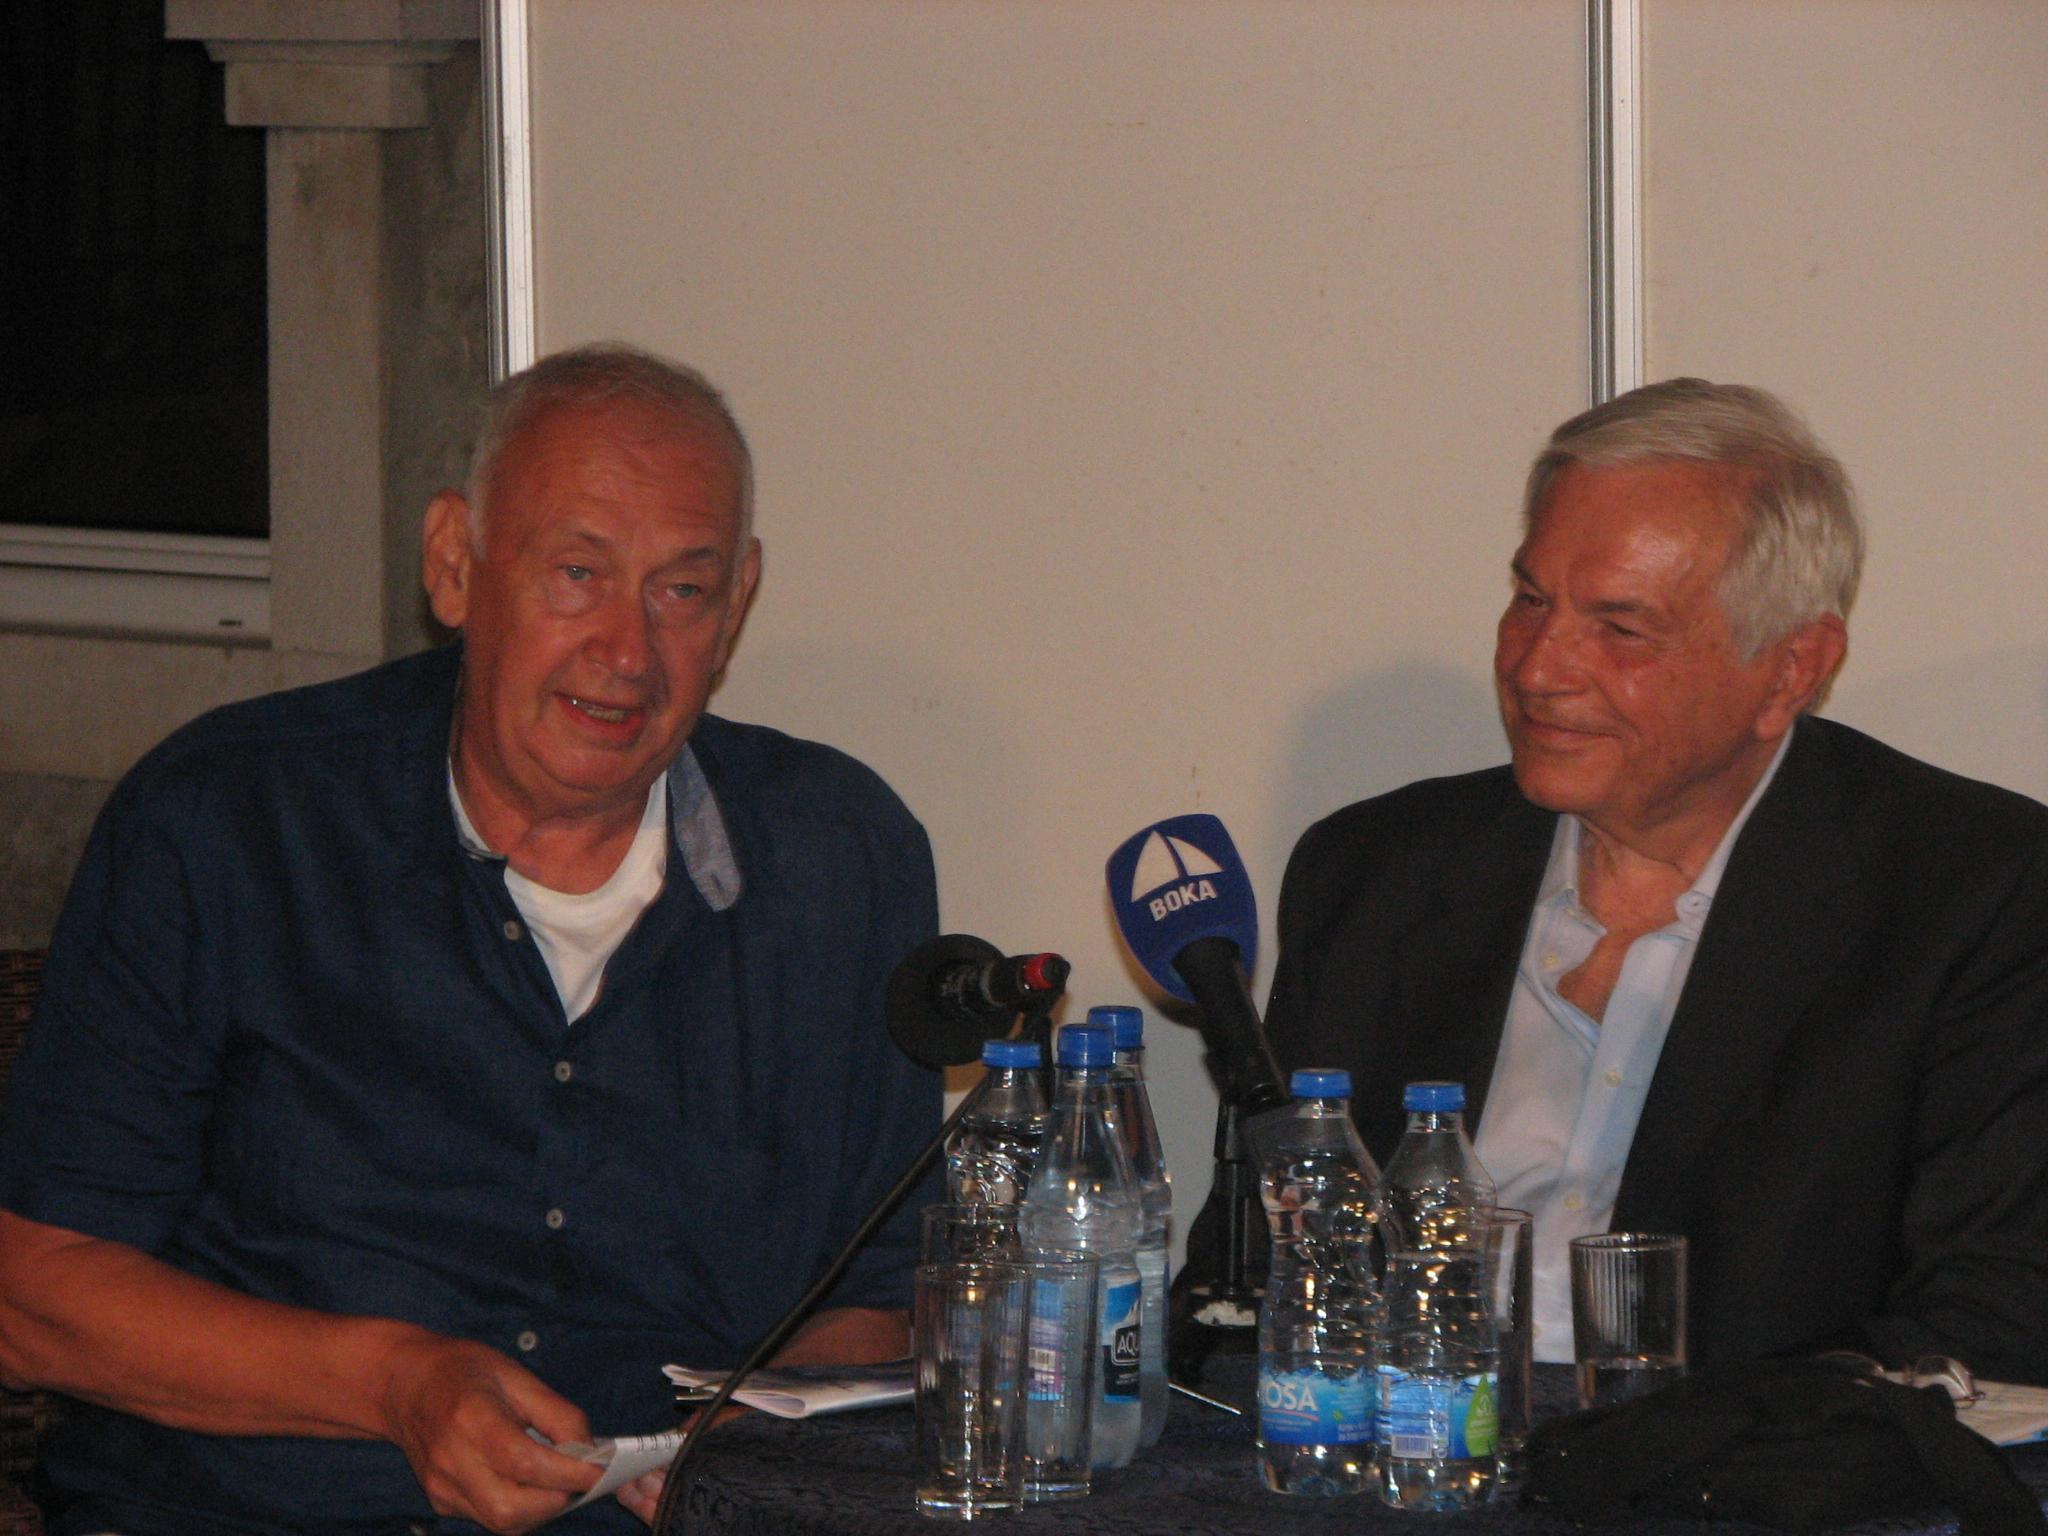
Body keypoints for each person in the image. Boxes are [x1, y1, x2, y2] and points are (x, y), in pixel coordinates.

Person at [0, 344, 941, 1532]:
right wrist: (394, 1386)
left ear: (737, 603)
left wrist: (751, 1443)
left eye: (680, 591)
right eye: (578, 574)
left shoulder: (839, 860)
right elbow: (35, 1297)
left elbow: (886, 1291)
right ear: (455, 564)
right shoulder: (228, 823)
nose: (627, 651)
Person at [1263, 378, 2048, 1383]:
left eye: (1619, 628)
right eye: (1530, 600)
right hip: (1407, 1442)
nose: (1537, 668)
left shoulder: (1971, 892)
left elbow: (1992, 1312)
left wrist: (1660, 1447)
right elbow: (1252, 1276)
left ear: (1790, 669)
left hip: (1751, 1456)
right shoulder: (1374, 872)